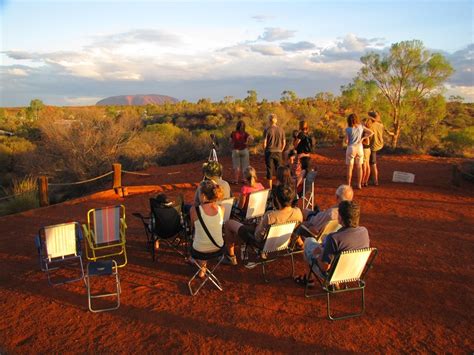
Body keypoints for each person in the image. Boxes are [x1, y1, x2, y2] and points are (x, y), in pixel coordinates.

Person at [223, 184, 303, 265]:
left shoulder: (270, 216)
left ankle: (231, 257)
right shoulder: (298, 212)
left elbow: (257, 237)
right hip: (283, 243)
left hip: (261, 244)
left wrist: (258, 225)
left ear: (277, 200)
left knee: (229, 223)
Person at [302, 200, 369, 280]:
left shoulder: (334, 238)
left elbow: (324, 267)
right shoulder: (364, 231)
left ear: (341, 218)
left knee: (309, 241)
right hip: (354, 272)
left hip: (333, 276)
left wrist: (318, 255)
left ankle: (309, 279)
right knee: (325, 243)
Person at [189, 181, 225, 278]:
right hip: (218, 248)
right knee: (205, 234)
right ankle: (202, 268)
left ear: (203, 196)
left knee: (197, 236)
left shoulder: (194, 210)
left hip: (199, 251)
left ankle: (200, 266)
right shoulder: (221, 208)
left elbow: (192, 227)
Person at [344, 113, 373, 190]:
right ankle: (359, 184)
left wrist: (347, 140)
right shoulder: (361, 127)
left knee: (350, 168)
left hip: (351, 148)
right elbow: (371, 133)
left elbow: (346, 141)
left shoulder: (348, 129)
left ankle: (348, 184)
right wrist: (363, 138)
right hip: (359, 148)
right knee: (359, 167)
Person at [368, 111, 394, 186]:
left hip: (372, 146)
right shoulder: (381, 125)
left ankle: (375, 180)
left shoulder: (370, 125)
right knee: (370, 162)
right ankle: (370, 177)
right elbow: (388, 132)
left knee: (372, 163)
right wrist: (393, 134)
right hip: (379, 144)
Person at [263, 113, 286, 189]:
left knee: (269, 170)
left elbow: (264, 143)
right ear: (276, 120)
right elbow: (284, 143)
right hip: (278, 152)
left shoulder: (267, 130)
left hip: (269, 152)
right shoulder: (281, 130)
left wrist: (265, 150)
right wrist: (281, 150)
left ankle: (270, 189)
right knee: (279, 169)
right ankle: (279, 186)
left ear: (269, 121)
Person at [361, 118, 373, 187]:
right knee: (367, 165)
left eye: (363, 123)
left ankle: (362, 181)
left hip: (365, 149)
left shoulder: (366, 132)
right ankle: (365, 181)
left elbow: (367, 142)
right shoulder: (369, 130)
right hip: (368, 150)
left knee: (364, 166)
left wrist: (360, 140)